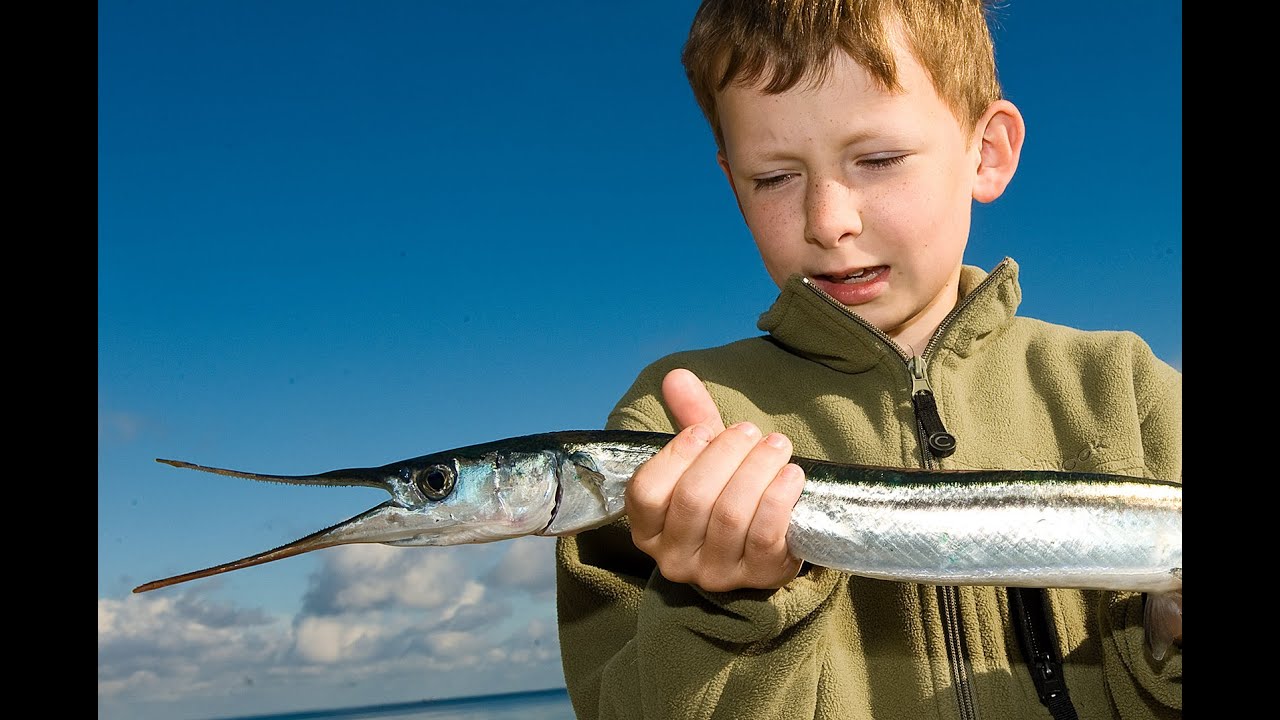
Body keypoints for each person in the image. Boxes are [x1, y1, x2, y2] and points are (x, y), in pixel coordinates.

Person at [554, 1, 1182, 718]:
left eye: (878, 160)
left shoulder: (1130, 392)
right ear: (731, 183)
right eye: (774, 178)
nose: (828, 221)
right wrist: (720, 612)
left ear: (988, 152)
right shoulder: (669, 434)